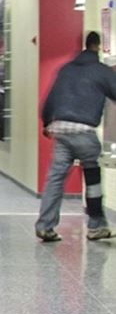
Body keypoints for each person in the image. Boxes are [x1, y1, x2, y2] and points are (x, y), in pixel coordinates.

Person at [35, 31, 116, 243]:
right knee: (92, 175)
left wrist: (46, 123)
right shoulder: (101, 71)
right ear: (97, 47)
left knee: (55, 178)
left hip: (61, 130)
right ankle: (96, 225)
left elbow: (50, 99)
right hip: (84, 130)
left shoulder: (66, 69)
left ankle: (45, 226)